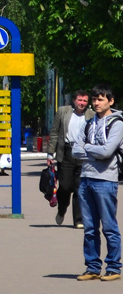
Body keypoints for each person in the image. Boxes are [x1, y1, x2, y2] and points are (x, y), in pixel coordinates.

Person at [71, 85, 122, 281]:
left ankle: (114, 267)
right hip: (86, 179)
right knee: (90, 227)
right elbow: (75, 150)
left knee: (109, 226)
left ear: (111, 101)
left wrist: (88, 148)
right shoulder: (88, 123)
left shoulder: (117, 124)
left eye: (101, 99)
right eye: (94, 99)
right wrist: (94, 151)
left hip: (105, 180)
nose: (96, 103)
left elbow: (107, 152)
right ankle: (92, 267)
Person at [48, 89, 91, 228]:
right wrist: (50, 154)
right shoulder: (63, 111)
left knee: (80, 188)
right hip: (66, 152)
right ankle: (62, 210)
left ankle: (79, 220)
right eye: (80, 100)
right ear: (74, 100)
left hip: (84, 154)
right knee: (65, 187)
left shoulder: (92, 114)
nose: (82, 103)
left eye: (85, 100)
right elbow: (54, 132)